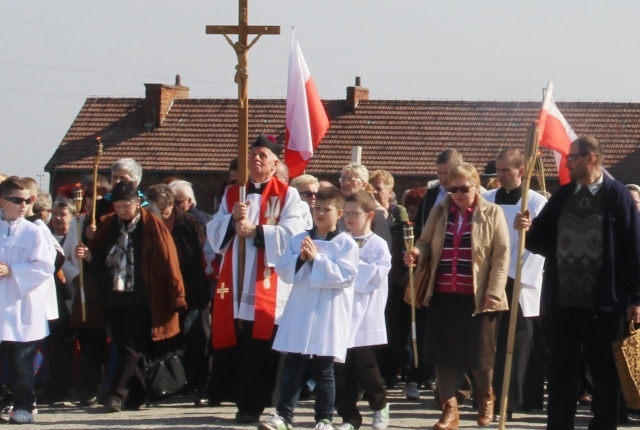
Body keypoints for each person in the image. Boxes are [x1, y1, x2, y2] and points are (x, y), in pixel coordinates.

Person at [514, 136, 640, 430]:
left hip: (604, 304)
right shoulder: (564, 194)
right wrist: (526, 228)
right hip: (562, 303)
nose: (568, 162)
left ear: (592, 158)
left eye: (573, 157)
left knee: (604, 374)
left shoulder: (617, 196)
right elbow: (541, 240)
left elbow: (634, 249)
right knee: (561, 373)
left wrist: (637, 297)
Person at [206, 134, 308, 423]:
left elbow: (294, 233)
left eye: (263, 155)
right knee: (238, 340)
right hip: (235, 280)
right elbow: (214, 233)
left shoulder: (287, 195)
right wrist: (230, 221)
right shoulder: (231, 194)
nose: (256, 159)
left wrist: (257, 231)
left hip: (266, 281)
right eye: (252, 154)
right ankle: (239, 400)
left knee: (260, 345)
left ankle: (257, 403)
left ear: (276, 163)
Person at [404, 162, 510, 429]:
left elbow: (501, 256)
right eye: (453, 189)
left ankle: (486, 396)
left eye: (464, 188)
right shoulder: (440, 211)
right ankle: (449, 408)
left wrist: (494, 291)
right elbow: (425, 241)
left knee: (481, 356)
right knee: (443, 355)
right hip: (442, 292)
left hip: (477, 295)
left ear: (476, 186)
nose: (459, 193)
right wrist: (417, 253)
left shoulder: (492, 212)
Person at [75, 181, 186, 413]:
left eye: (127, 205)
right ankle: (138, 395)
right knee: (123, 343)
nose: (123, 210)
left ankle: (116, 394)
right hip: (114, 296)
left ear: (137, 202)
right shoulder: (109, 226)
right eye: (118, 206)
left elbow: (168, 260)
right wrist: (87, 256)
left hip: (143, 296)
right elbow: (101, 264)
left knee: (132, 347)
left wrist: (176, 294)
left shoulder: (151, 225)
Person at [483, 148, 547, 418]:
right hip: (491, 278)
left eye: (506, 170)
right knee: (491, 344)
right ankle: (491, 398)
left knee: (519, 346)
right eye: (497, 170)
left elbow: (541, 242)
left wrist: (529, 230)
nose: (500, 175)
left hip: (520, 279)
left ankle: (516, 399)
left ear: (522, 171)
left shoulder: (535, 202)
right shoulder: (487, 198)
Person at [146, 184, 211, 398]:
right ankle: (170, 383)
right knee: (170, 339)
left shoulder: (188, 223)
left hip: (192, 290)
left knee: (196, 337)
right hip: (162, 292)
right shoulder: (147, 224)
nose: (160, 217)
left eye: (163, 212)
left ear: (171, 207)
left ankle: (197, 383)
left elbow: (201, 256)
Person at [0, 176, 55, 424]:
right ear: (3, 201)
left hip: (22, 306)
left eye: (28, 200)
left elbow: (45, 266)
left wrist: (12, 271)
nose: (23, 205)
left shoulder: (34, 232)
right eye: (17, 200)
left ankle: (24, 404)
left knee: (22, 362)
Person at [335, 191, 392, 430]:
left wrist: (350, 270)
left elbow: (376, 276)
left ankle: (379, 406)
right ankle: (350, 417)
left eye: (354, 213)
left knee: (366, 366)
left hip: (366, 314)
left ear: (369, 215)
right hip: (342, 313)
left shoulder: (378, 244)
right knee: (342, 369)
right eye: (345, 213)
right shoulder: (339, 240)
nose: (349, 218)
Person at [61, 187, 110, 407]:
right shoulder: (76, 225)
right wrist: (77, 276)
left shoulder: (109, 223)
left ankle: (103, 385)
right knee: (87, 339)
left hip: (105, 290)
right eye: (88, 206)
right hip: (83, 289)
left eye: (95, 206)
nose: (90, 210)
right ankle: (86, 388)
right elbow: (66, 257)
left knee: (103, 342)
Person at [338, 164, 392, 251]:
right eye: (343, 179)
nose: (345, 183)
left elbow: (385, 247)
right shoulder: (337, 207)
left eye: (351, 180)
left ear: (363, 185)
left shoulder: (377, 212)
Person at [413, 149, 463, 238]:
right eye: (439, 173)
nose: (443, 177)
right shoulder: (430, 194)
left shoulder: (469, 194)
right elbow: (419, 223)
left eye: (446, 173)